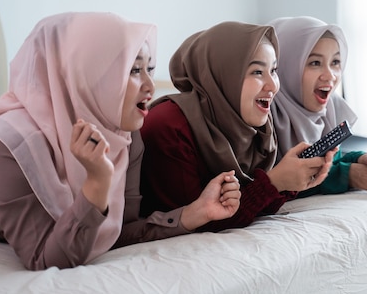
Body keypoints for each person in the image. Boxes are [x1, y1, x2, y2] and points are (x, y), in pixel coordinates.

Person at [0, 12, 240, 271]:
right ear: (88, 76)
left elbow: (114, 231)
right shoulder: (7, 148)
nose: (150, 86)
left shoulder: (124, 134)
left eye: (149, 68)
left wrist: (193, 213)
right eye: (133, 70)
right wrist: (97, 184)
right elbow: (44, 259)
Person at [138, 21, 335, 232]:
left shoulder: (256, 129)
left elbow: (256, 208)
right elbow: (199, 222)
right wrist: (274, 182)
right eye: (257, 72)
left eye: (274, 70)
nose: (273, 85)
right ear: (224, 74)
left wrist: (290, 182)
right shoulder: (169, 126)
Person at [268, 16, 367, 195]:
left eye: (335, 62)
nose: (330, 76)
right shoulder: (263, 115)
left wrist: (360, 159)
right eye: (315, 63)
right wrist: (346, 175)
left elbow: (329, 159)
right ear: (285, 66)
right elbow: (274, 183)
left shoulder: (329, 108)